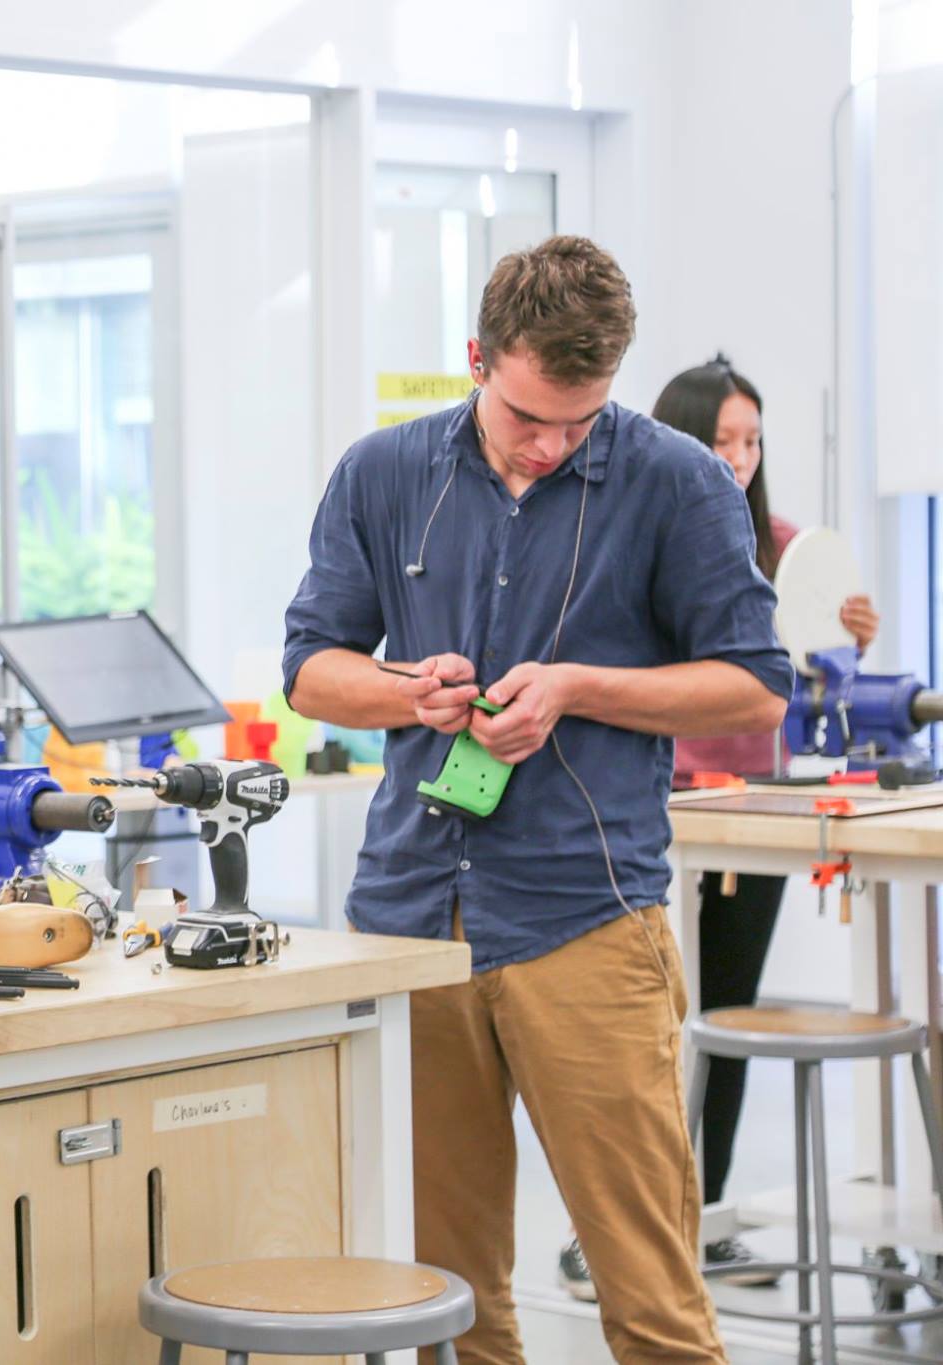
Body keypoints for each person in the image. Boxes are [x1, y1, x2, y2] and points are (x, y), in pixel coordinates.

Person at [283, 237, 793, 1364]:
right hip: (411, 923)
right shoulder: (382, 475)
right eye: (526, 418)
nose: (552, 444)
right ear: (476, 358)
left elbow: (756, 687)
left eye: (580, 418)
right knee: (447, 1305)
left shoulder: (675, 481)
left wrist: (575, 689)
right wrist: (406, 692)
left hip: (585, 919)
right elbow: (312, 667)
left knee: (651, 1302)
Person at [555, 356, 878, 1299]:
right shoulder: (633, 535)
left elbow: (803, 685)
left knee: (724, 1019)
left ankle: (708, 1218)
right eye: (721, 440)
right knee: (636, 1040)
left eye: (752, 440)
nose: (738, 458)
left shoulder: (782, 545)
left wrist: (849, 641)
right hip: (655, 817)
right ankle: (616, 1237)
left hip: (756, 817)